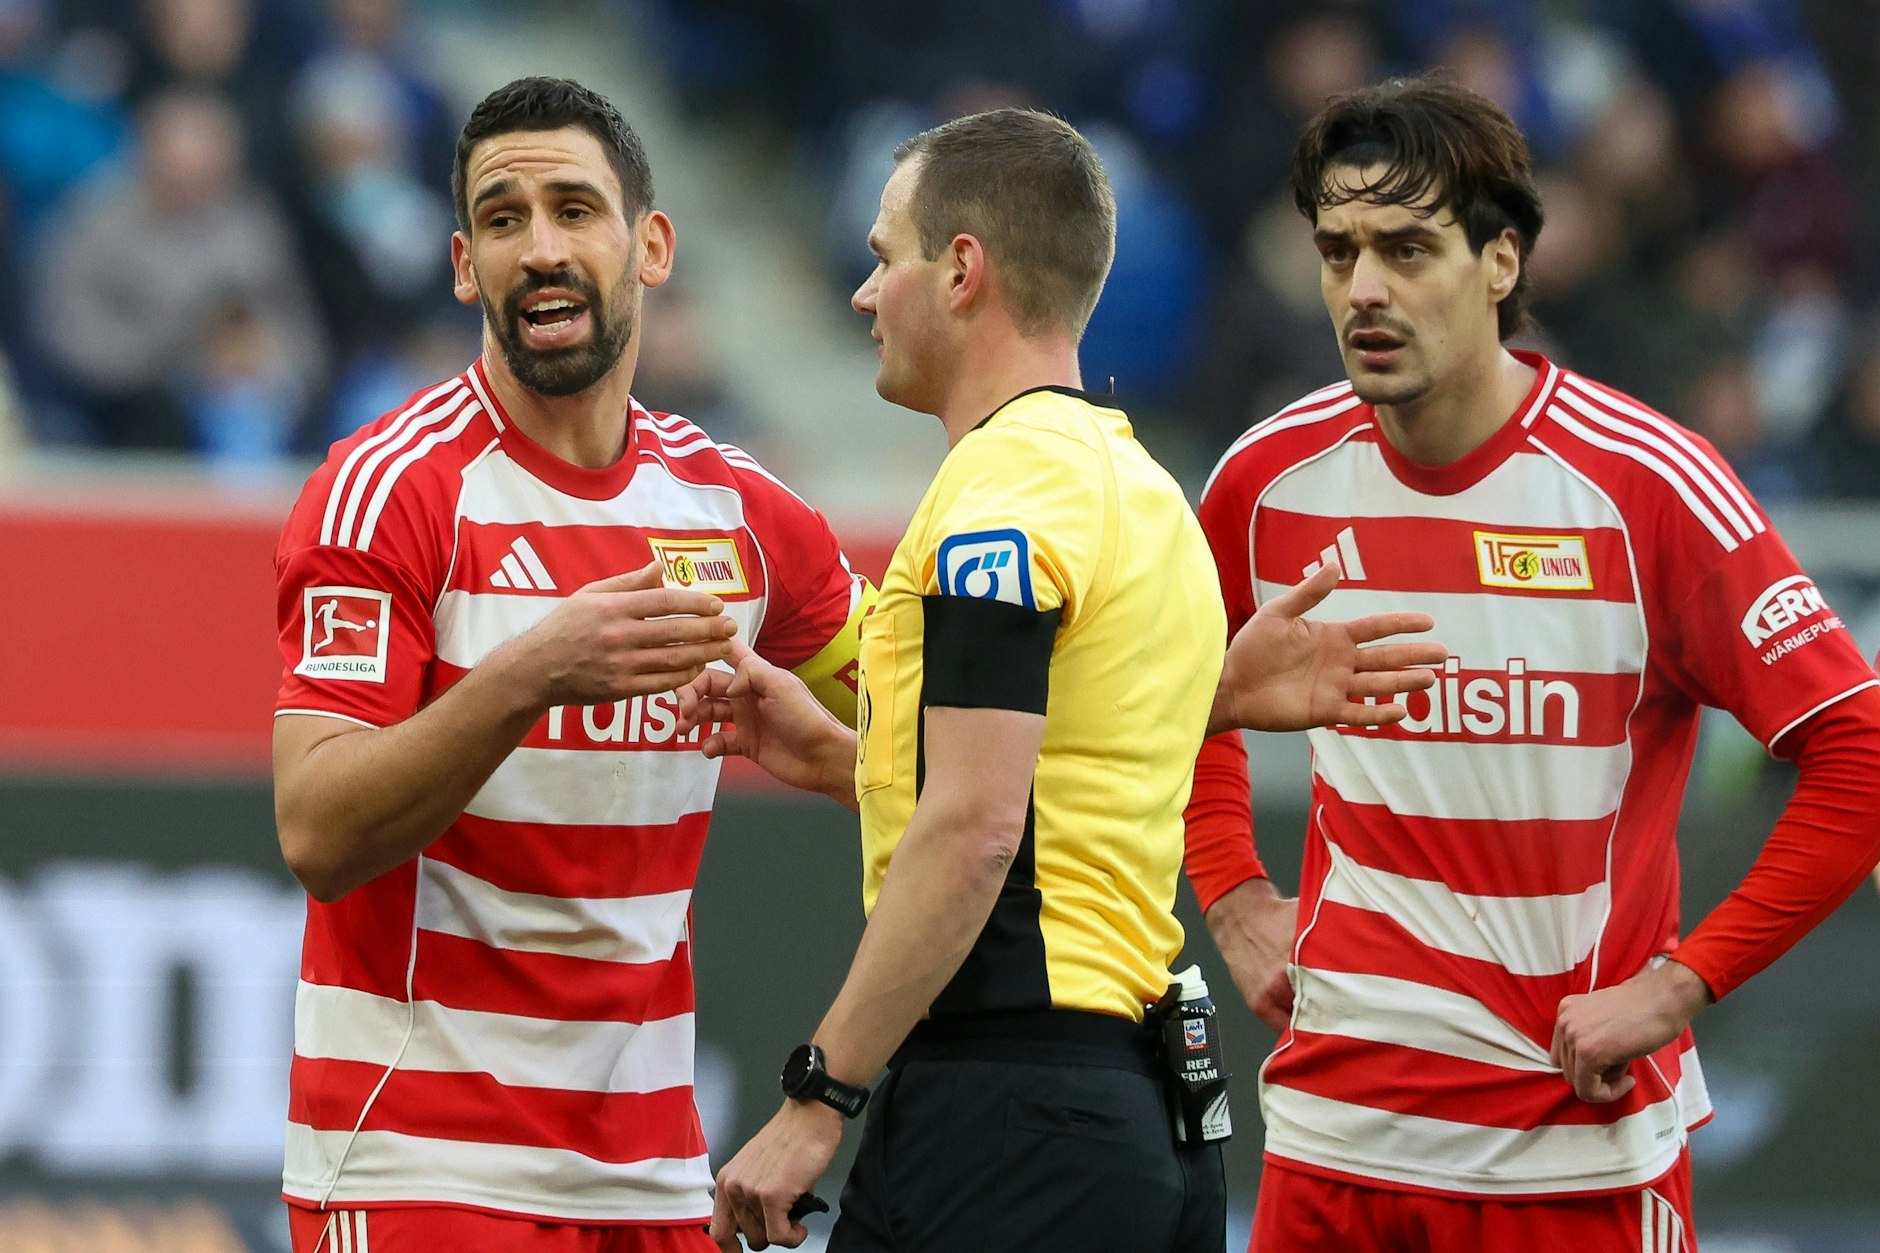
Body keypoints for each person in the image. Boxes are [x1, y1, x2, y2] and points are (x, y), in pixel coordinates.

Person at [683, 108, 1445, 1253]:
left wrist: (816, 1092)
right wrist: (839, 760)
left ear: (960, 271)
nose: (861, 293)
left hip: (1008, 1110)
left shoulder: (997, 501)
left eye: (883, 256)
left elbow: (980, 830)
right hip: (1152, 1112)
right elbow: (1060, 785)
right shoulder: (1142, 488)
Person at [1182, 75, 1880, 1251]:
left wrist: (1678, 983)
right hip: (1332, 1137)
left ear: (1499, 261)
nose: (1363, 288)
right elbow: (1178, 700)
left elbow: (1855, 748)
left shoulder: (1646, 486)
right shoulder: (1264, 482)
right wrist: (1233, 889)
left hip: (1572, 1149)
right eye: (1338, 250)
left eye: (1406, 248)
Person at [270, 77, 876, 1253]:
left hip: (650, 1171)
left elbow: (950, 750)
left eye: (572, 210)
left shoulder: (741, 514)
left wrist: (847, 762)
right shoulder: (388, 494)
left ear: (649, 244)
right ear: (462, 265)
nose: (539, 249)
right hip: (419, 1160)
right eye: (503, 220)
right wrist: (523, 673)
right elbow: (316, 831)